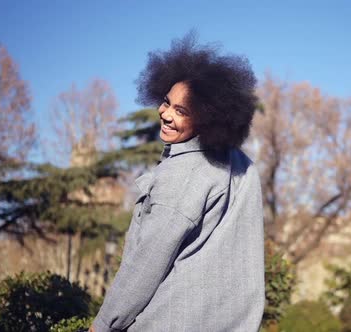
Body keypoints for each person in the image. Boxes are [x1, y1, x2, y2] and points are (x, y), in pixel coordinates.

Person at [91, 33, 265, 332]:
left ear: (208, 119)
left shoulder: (184, 172)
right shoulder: (242, 167)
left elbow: (145, 266)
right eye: (166, 102)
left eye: (181, 111)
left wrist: (103, 325)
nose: (166, 114)